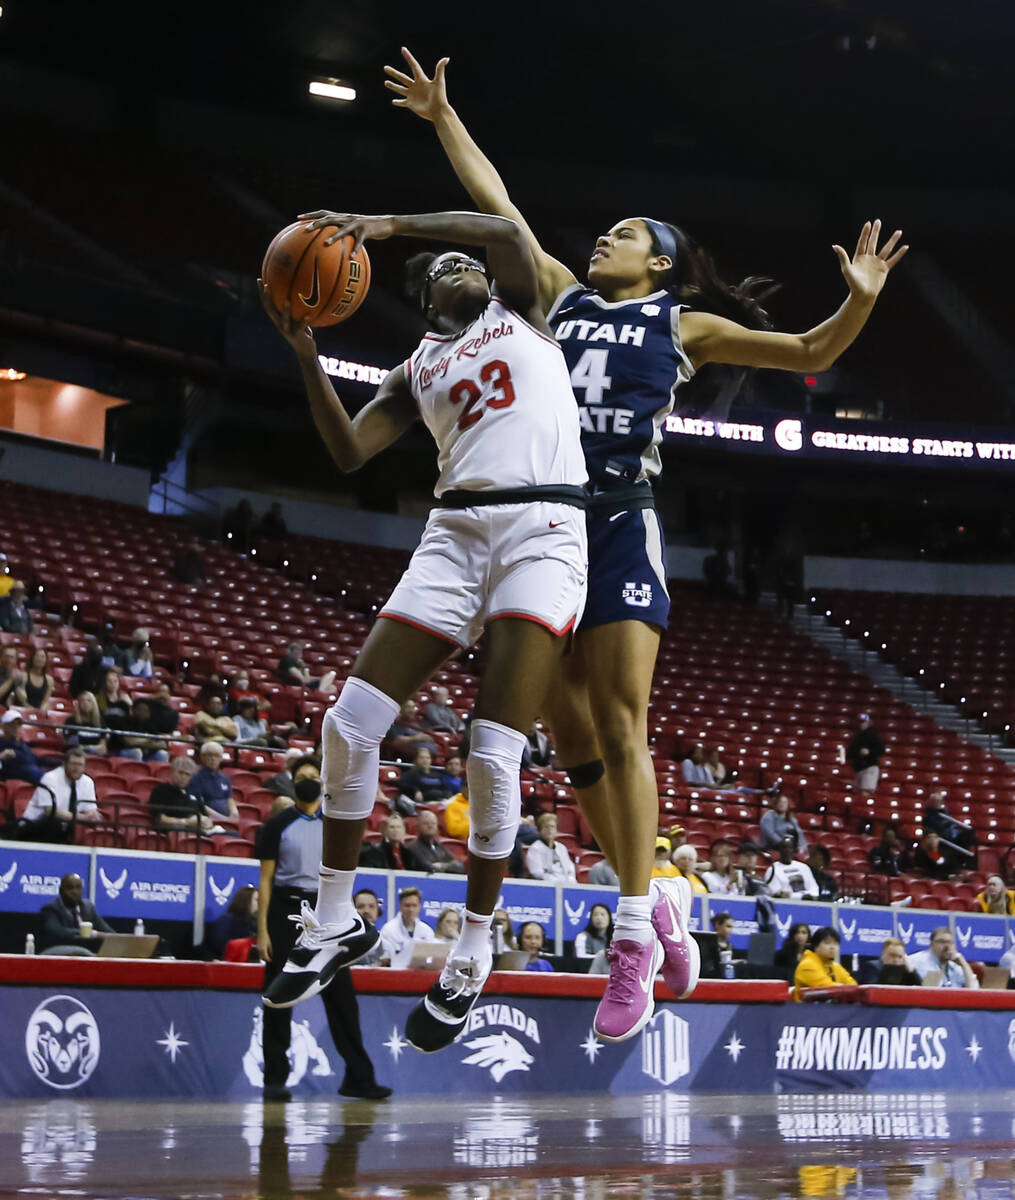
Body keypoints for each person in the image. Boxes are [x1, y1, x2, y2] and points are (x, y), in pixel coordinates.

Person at [390, 47, 907, 1041]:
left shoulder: (684, 325)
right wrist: (442, 118)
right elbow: (502, 212)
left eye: (624, 235)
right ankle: (659, 899)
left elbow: (804, 354)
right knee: (571, 738)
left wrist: (862, 297)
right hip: (540, 523)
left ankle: (632, 929)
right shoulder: (556, 295)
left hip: (620, 516)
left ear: (657, 263)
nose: (603, 238)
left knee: (621, 725)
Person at [259, 203, 594, 1046]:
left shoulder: (521, 307)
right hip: (453, 534)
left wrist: (384, 224)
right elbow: (346, 452)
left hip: (544, 531)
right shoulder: (413, 369)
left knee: (490, 750)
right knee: (349, 722)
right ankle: (334, 917)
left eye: (466, 260)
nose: (466, 265)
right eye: (449, 265)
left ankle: (473, 954)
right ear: (425, 296)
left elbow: (514, 234)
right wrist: (304, 355)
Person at [256, 775, 390, 1101]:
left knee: (343, 997)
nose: (307, 780)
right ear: (292, 785)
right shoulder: (278, 825)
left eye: (311, 773)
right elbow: (265, 880)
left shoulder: (333, 823)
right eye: (299, 773)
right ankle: (275, 1078)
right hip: (286, 912)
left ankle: (359, 1077)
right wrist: (261, 930)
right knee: (279, 994)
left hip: (326, 912)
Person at [22, 748, 102, 840]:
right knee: (56, 824)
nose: (76, 768)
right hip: (34, 825)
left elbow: (90, 810)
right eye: (73, 764)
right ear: (64, 764)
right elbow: (50, 812)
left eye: (80, 765)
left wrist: (93, 816)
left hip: (63, 827)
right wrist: (83, 817)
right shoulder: (50, 778)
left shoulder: (88, 782)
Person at [37, 872, 113, 955]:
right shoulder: (51, 909)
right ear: (61, 891)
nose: (75, 892)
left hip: (85, 953)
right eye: (70, 888)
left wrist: (118, 939)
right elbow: (57, 932)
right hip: (57, 952)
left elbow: (107, 931)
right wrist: (90, 934)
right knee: (84, 953)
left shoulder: (88, 908)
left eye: (78, 888)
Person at [148, 755, 218, 834]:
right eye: (181, 773)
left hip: (200, 831)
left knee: (230, 834)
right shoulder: (161, 791)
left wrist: (207, 823)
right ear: (172, 772)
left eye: (187, 774)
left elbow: (205, 816)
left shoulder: (194, 793)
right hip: (175, 831)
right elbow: (159, 819)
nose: (183, 777)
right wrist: (187, 822)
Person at [793, 927, 856, 1001]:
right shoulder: (807, 965)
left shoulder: (836, 967)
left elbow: (854, 988)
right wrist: (844, 988)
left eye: (836, 944)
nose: (832, 947)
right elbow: (830, 989)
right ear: (816, 946)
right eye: (827, 943)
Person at [378, 887, 435, 968]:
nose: (411, 909)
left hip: (420, 975)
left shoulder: (427, 931)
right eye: (407, 905)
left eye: (414, 905)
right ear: (400, 907)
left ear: (419, 907)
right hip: (395, 975)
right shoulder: (389, 930)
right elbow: (385, 959)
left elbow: (431, 959)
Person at [908, 927, 979, 989]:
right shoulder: (921, 961)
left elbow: (974, 990)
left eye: (950, 942)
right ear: (931, 944)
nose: (947, 946)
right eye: (942, 942)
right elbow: (931, 993)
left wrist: (964, 964)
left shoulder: (954, 965)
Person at [402, 808, 465, 874]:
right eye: (426, 823)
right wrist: (447, 866)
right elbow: (429, 868)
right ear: (418, 826)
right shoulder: (412, 848)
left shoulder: (439, 847)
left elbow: (459, 867)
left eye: (433, 823)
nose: (430, 826)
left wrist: (442, 866)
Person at [188, 741, 238, 821]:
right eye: (209, 755)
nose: (213, 758)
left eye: (216, 755)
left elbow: (229, 798)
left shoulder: (225, 778)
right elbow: (199, 804)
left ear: (221, 758)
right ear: (202, 757)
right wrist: (223, 819)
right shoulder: (196, 777)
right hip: (209, 819)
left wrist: (234, 813)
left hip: (226, 819)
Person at [207, 885, 258, 958]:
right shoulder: (227, 920)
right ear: (246, 900)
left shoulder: (259, 923)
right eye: (257, 900)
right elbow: (220, 946)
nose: (260, 904)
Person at [0, 708, 47, 785]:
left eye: (18, 724)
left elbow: (37, 759)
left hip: (34, 773)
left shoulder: (22, 745)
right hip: (16, 776)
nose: (15, 727)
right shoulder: (2, 744)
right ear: (4, 726)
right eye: (12, 724)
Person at [525, 812, 577, 881]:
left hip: (566, 883)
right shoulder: (535, 848)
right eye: (546, 827)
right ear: (540, 830)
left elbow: (570, 868)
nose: (550, 830)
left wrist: (570, 880)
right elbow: (537, 872)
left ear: (556, 830)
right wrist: (554, 881)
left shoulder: (561, 847)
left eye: (552, 827)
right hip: (547, 884)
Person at [846, 713, 885, 792]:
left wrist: (869, 752)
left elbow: (881, 750)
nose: (862, 724)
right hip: (858, 768)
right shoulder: (856, 736)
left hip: (869, 767)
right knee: (857, 793)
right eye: (860, 722)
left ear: (868, 722)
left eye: (863, 722)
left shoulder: (873, 735)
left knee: (866, 792)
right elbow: (850, 752)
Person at [62, 691, 109, 756]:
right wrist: (93, 748)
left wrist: (86, 748)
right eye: (82, 701)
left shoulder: (100, 721)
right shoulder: (72, 720)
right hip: (77, 757)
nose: (85, 703)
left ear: (94, 703)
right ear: (78, 704)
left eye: (88, 701)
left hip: (95, 757)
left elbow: (103, 749)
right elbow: (73, 746)